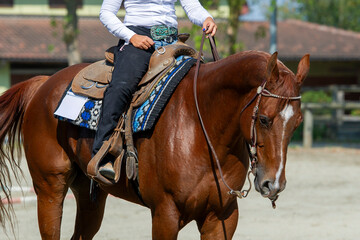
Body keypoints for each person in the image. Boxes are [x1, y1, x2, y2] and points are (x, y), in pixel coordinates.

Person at [92, 0, 217, 180]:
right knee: (122, 86)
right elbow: (106, 13)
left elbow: (192, 6)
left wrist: (206, 18)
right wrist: (131, 36)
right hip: (138, 40)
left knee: (200, 82)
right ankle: (104, 151)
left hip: (173, 42)